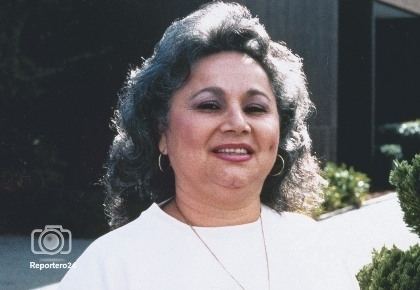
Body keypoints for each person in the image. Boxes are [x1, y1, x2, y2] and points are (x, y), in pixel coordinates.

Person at [58, 2, 359, 289]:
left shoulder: (316, 248)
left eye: (255, 108)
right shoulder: (109, 268)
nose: (238, 123)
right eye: (210, 105)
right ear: (160, 132)